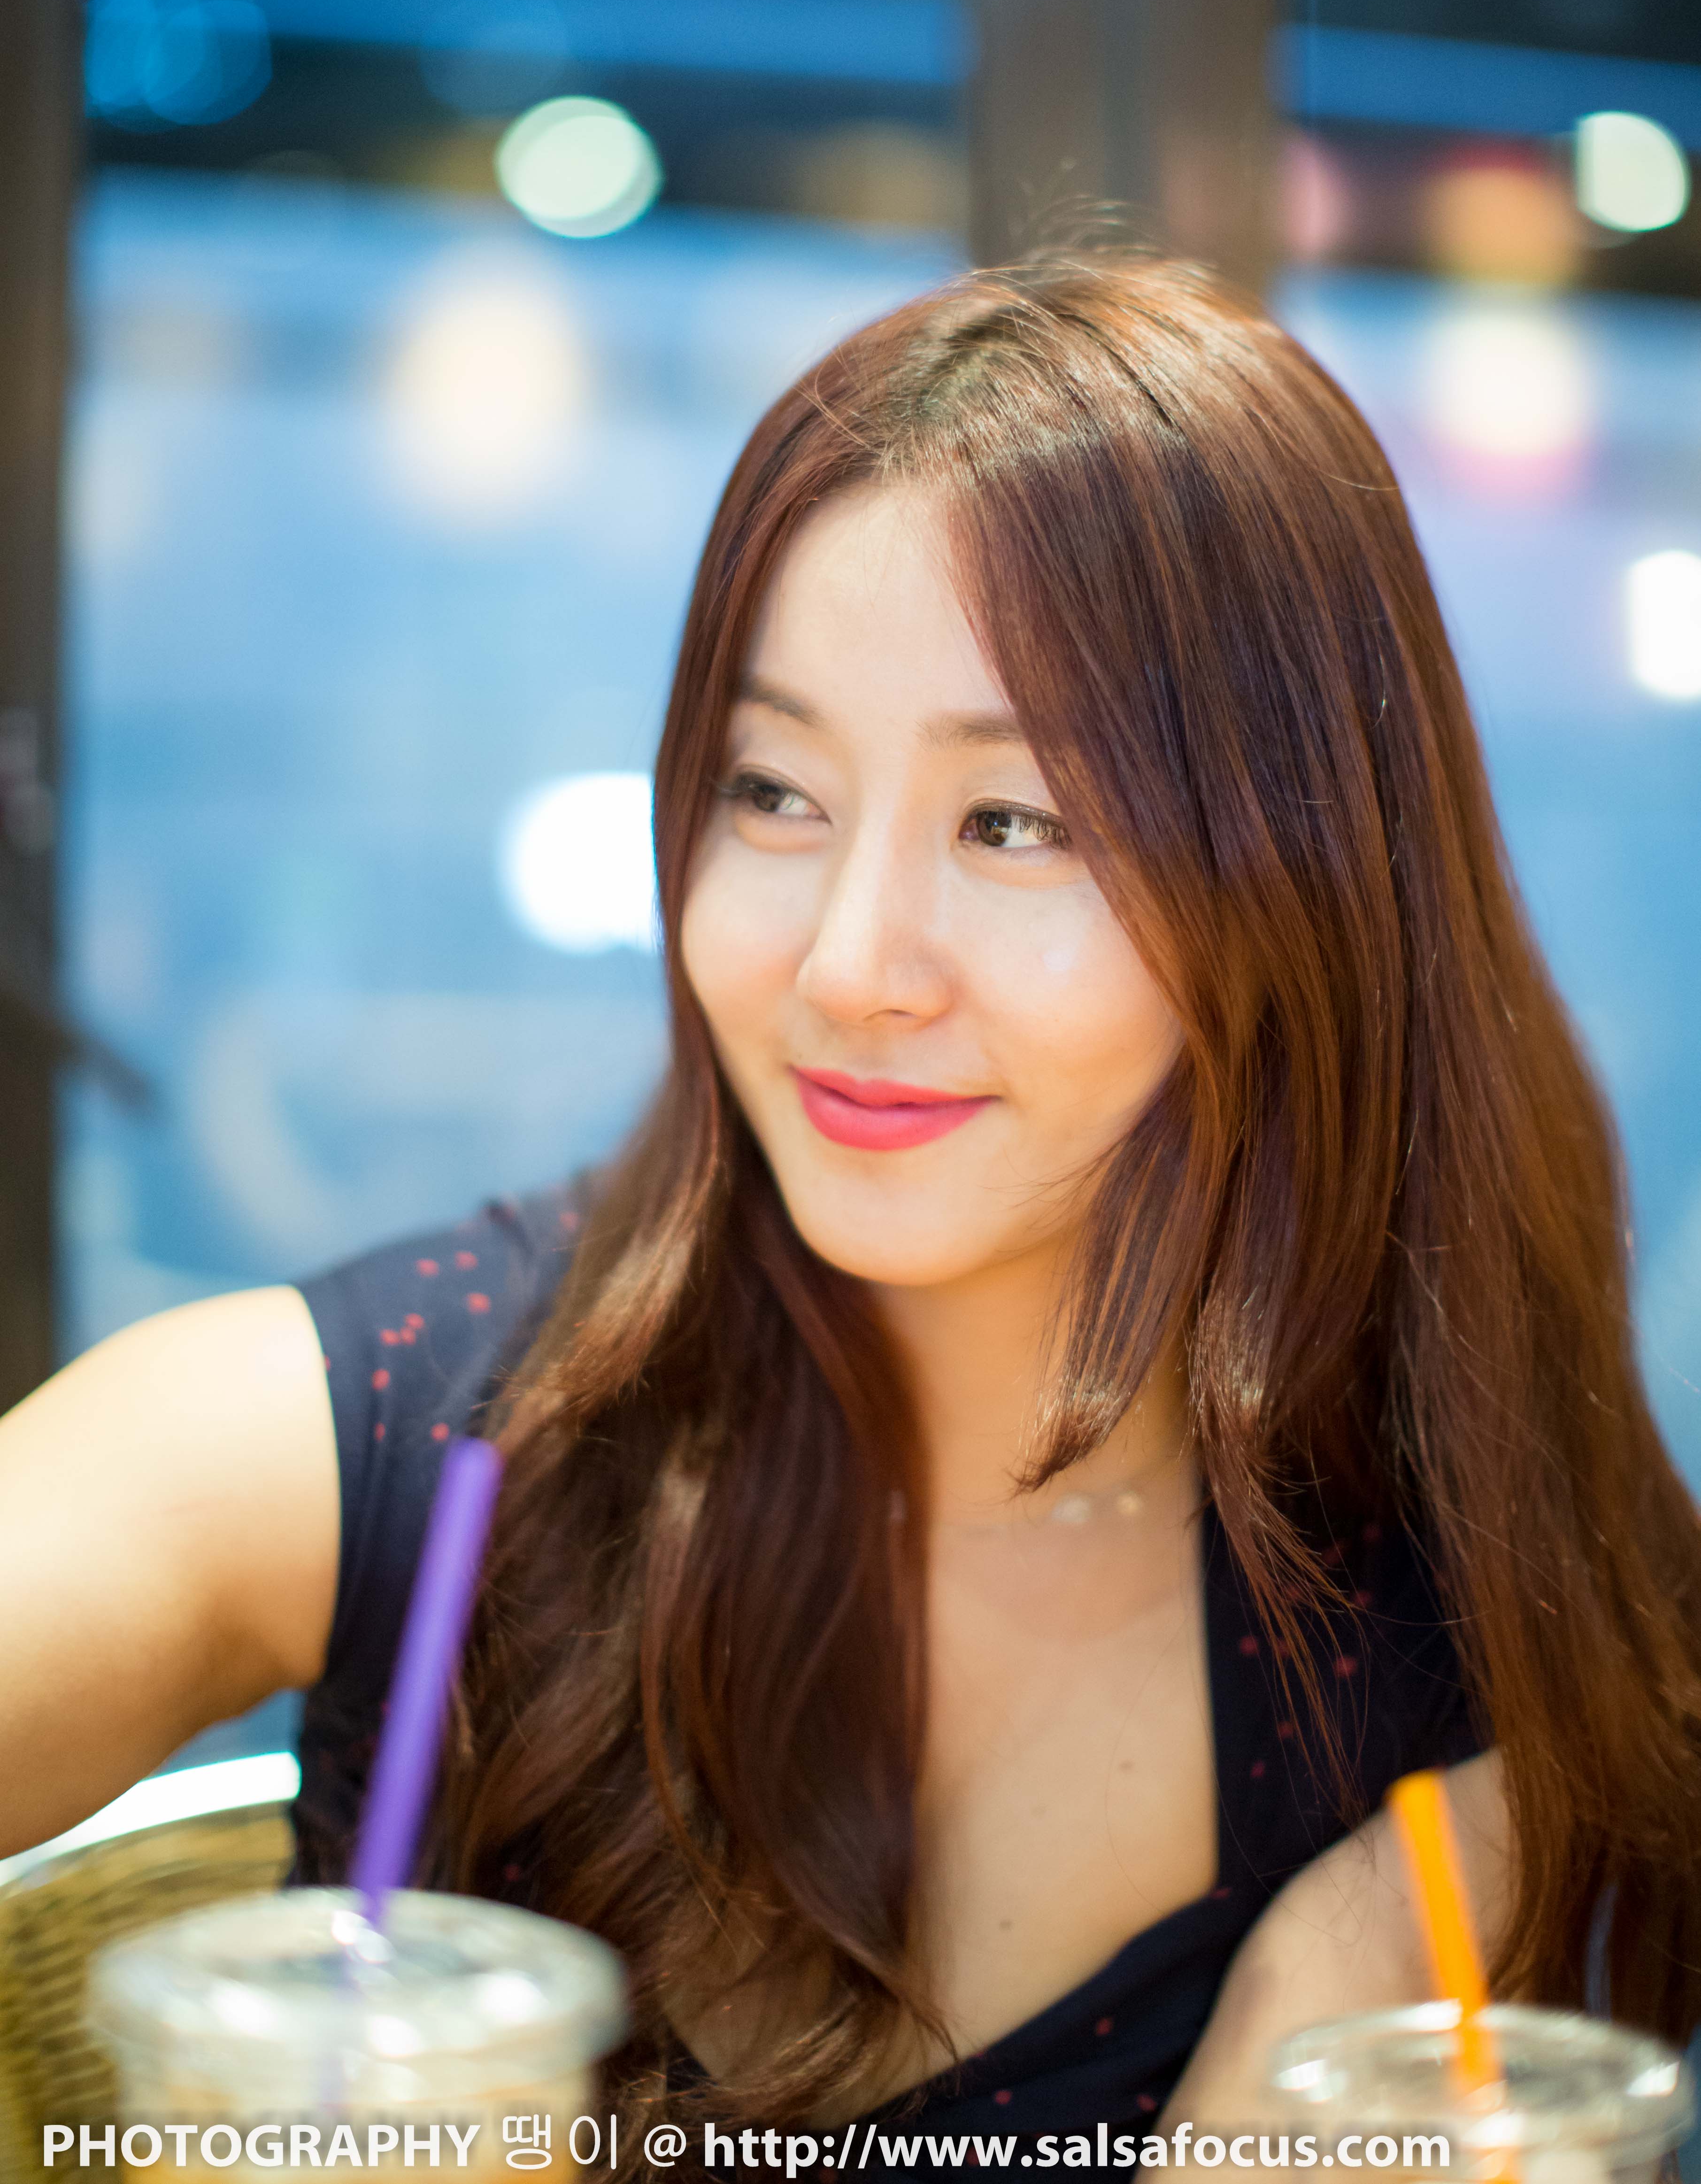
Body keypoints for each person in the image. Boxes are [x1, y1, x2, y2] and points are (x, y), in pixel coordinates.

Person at [4, 255, 1700, 2149]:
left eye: (1013, 822)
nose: (846, 964)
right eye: (773, 792)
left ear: (1303, 888)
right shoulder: (427, 1432)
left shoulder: (1465, 1639)